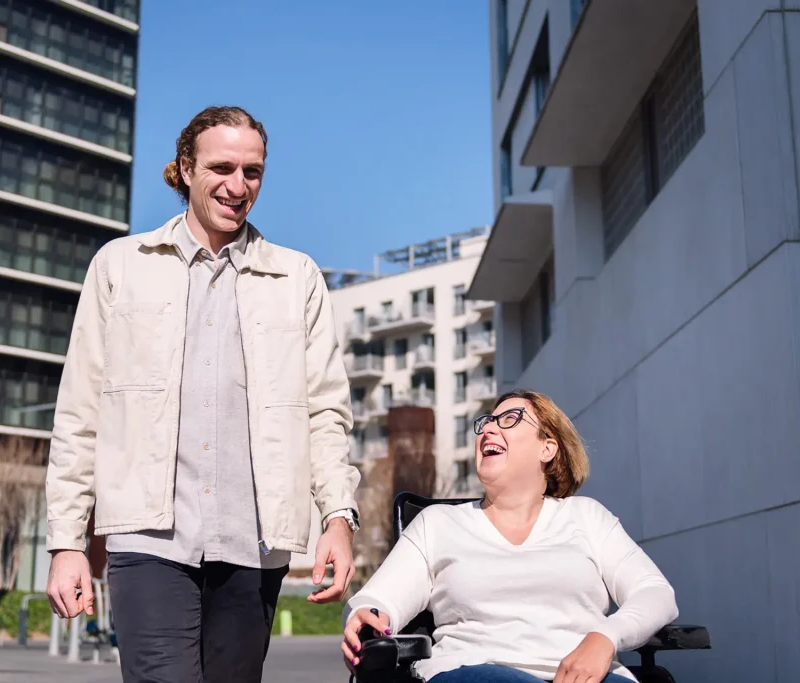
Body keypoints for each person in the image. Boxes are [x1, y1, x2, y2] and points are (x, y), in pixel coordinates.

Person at [45, 105, 361, 683]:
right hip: (149, 537)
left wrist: (337, 516)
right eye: (222, 167)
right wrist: (66, 542)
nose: (238, 187)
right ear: (186, 168)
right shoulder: (120, 267)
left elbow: (325, 413)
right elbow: (80, 412)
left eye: (253, 172)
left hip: (256, 541)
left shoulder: (297, 278)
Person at [342, 390, 679, 683]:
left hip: (586, 672)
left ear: (547, 448)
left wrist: (606, 637)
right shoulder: (438, 524)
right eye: (486, 421)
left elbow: (656, 594)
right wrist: (367, 617)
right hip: (472, 669)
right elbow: (376, 601)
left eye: (510, 419)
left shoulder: (586, 517)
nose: (488, 427)